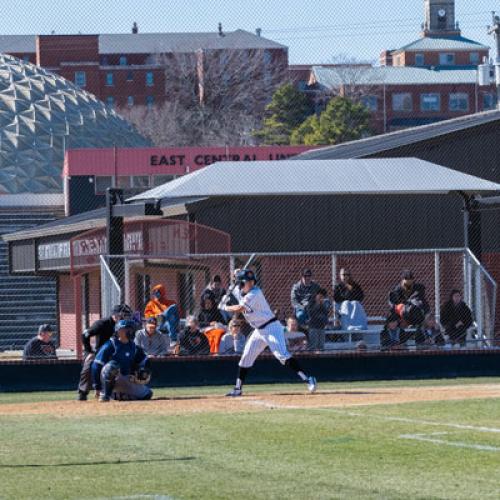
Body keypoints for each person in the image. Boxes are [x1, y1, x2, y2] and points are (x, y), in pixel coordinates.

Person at [220, 269, 317, 397]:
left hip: (271, 327)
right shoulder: (240, 290)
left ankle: (309, 379)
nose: (251, 283)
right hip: (259, 331)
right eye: (247, 282)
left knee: (282, 355)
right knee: (246, 358)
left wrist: (225, 307)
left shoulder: (255, 293)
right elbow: (235, 285)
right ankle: (238, 388)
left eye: (251, 281)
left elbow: (240, 308)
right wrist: (235, 275)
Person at [77, 304, 132, 401]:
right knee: (89, 363)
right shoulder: (102, 323)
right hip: (100, 353)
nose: (126, 317)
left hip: (116, 353)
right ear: (116, 315)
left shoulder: (127, 326)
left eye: (127, 315)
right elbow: (85, 335)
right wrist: (89, 351)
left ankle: (119, 392)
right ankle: (83, 392)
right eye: (123, 315)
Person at [92, 319, 153, 402]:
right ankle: (106, 395)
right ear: (119, 331)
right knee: (111, 367)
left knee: (147, 394)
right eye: (127, 329)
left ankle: (118, 395)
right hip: (108, 379)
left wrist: (142, 372)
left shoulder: (133, 347)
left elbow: (145, 361)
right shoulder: (110, 345)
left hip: (124, 378)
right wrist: (97, 387)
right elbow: (96, 365)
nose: (130, 331)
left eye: (131, 329)